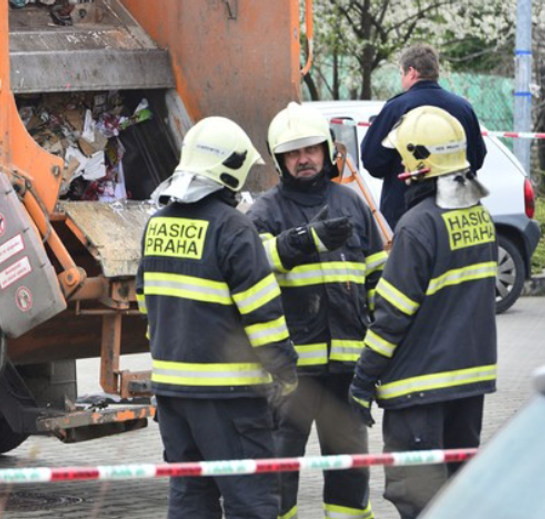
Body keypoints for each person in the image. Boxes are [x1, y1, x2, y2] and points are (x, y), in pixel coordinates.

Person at [136, 116, 299, 519]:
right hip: (230, 397)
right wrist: (285, 372)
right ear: (231, 167)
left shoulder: (155, 226)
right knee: (252, 500)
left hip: (173, 394)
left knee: (190, 497)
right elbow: (264, 317)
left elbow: (145, 303)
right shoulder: (234, 228)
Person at [349, 106, 498, 519]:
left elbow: (392, 315)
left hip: (418, 389)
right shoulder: (479, 217)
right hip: (469, 384)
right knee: (459, 492)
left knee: (418, 499)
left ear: (418, 164)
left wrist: (363, 379)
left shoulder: (417, 226)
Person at [247, 102, 386, 519]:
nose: (303, 159)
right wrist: (300, 241)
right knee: (279, 474)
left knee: (349, 474)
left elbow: (378, 282)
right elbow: (251, 265)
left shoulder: (353, 204)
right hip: (290, 376)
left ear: (327, 151)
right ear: (279, 160)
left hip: (347, 372)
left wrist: (379, 359)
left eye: (310, 149)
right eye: (293, 153)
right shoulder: (265, 212)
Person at [361, 43, 486, 230]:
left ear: (411, 72)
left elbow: (372, 161)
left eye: (401, 73)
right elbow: (477, 158)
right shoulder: (463, 108)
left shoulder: (397, 108)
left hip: (406, 215)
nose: (401, 79)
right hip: (457, 215)